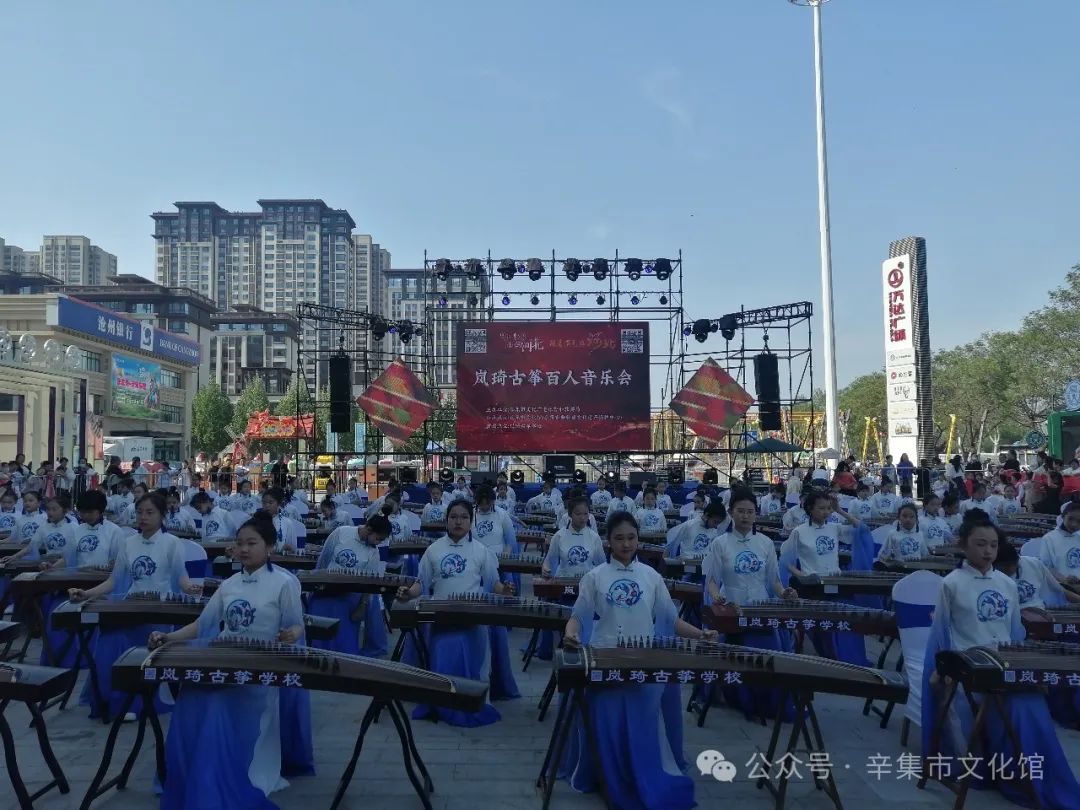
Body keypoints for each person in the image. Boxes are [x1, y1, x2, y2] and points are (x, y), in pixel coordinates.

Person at [148, 513, 313, 808]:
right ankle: (196, 774)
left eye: (252, 543)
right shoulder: (230, 583)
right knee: (193, 697)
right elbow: (202, 625)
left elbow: (297, 624)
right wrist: (168, 638)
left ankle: (222, 775)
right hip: (225, 660)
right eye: (240, 544)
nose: (244, 549)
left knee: (216, 706)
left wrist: (291, 633)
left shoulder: (284, 583)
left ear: (270, 546)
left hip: (261, 668)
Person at [560, 512, 717, 809]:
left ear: (638, 539)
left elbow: (671, 620)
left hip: (643, 659)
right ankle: (604, 772)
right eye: (619, 538)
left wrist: (701, 635)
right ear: (608, 542)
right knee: (606, 713)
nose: (626, 544)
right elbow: (577, 618)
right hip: (605, 657)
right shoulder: (595, 577)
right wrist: (571, 635)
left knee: (641, 717)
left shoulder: (651, 576)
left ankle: (641, 771)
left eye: (631, 537)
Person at [922, 518, 1080, 809]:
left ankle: (1032, 779)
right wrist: (941, 669)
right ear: (963, 546)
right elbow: (941, 632)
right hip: (969, 667)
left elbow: (1015, 634)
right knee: (1014, 707)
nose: (987, 551)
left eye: (993, 545)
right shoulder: (951, 584)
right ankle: (1008, 773)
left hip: (1004, 664)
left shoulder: (1007, 583)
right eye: (980, 544)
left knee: (1029, 705)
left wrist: (1031, 672)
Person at [69, 492, 200, 719]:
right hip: (131, 606)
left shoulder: (172, 543)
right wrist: (85, 594)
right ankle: (106, 699)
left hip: (159, 609)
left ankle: (135, 704)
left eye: (150, 512)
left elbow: (181, 578)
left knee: (138, 644)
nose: (143, 517)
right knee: (108, 640)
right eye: (139, 512)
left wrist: (190, 589)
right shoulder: (129, 543)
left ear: (162, 516)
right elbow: (113, 581)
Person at [396, 499, 512, 726]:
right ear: (446, 520)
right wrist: (408, 594)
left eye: (464, 517)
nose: (458, 521)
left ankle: (474, 698)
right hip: (441, 616)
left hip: (473, 615)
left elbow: (494, 583)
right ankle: (441, 699)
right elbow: (422, 583)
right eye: (454, 517)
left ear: (471, 521)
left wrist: (505, 589)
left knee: (477, 657)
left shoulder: (481, 551)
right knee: (442, 650)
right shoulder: (434, 549)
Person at [700, 489, 797, 719]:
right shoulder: (720, 543)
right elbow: (712, 580)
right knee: (734, 657)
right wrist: (716, 597)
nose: (745, 516)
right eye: (740, 511)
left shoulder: (764, 543)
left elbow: (773, 580)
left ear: (756, 514)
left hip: (759, 606)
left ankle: (768, 702)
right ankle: (740, 700)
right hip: (731, 608)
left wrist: (784, 592)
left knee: (768, 655)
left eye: (750, 512)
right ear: (731, 513)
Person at [309, 514, 393, 657]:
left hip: (350, 597)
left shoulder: (373, 552)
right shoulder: (341, 533)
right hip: (326, 590)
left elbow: (370, 583)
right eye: (378, 538)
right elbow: (323, 560)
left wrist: (362, 607)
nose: (378, 543)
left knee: (344, 641)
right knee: (318, 631)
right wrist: (315, 586)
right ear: (368, 529)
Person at [542, 497, 605, 578]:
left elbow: (601, 564)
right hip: (564, 581)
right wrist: (545, 568)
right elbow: (550, 561)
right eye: (578, 514)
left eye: (585, 514)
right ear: (570, 514)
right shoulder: (559, 536)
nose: (582, 518)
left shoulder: (594, 537)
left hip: (586, 583)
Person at [1038, 501, 1080, 586]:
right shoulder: (1049, 539)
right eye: (1070, 519)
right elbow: (1046, 567)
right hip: (1062, 588)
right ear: (1063, 517)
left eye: (1079, 521)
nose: (1074, 524)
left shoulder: (1078, 536)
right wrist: (1064, 580)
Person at [260, 488, 298, 552]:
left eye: (270, 502)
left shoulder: (287, 523)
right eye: (264, 502)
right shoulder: (256, 522)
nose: (267, 505)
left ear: (279, 503)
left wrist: (286, 548)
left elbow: (292, 547)